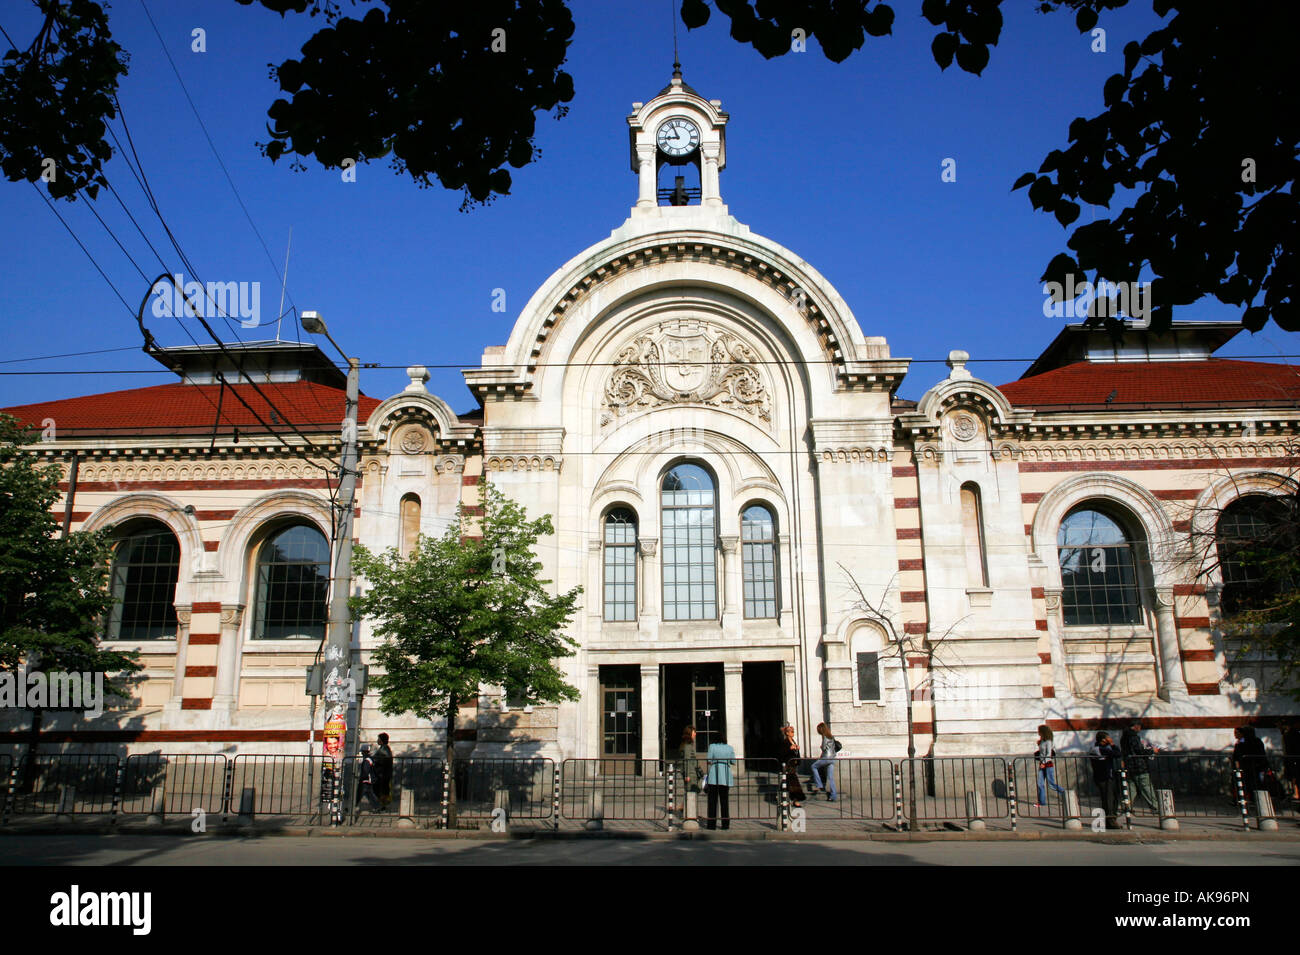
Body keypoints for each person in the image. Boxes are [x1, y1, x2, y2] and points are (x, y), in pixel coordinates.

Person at [1119, 721, 1159, 813]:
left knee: (1131, 788)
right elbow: (1138, 750)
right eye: (1140, 726)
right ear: (1136, 726)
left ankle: (1126, 806)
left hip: (1129, 765)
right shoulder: (1133, 737)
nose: (1140, 729)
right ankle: (1155, 807)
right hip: (1138, 765)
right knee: (1146, 787)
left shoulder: (1124, 737)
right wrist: (1152, 751)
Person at [1088, 730, 1122, 830]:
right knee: (1108, 800)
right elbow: (1117, 754)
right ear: (1103, 740)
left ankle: (1110, 820)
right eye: (1108, 738)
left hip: (1106, 776)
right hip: (1104, 777)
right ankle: (1110, 821)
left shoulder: (1099, 748)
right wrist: (1112, 744)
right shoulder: (1100, 749)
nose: (1110, 739)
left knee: (1111, 799)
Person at [705, 729, 736, 830]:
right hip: (725, 774)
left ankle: (711, 824)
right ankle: (725, 824)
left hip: (714, 774)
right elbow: (733, 761)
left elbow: (709, 760)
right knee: (724, 801)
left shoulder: (712, 747)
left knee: (712, 801)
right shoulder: (729, 748)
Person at [1034, 724, 1066, 808]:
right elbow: (1041, 753)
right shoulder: (1042, 741)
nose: (1038, 732)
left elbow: (1049, 754)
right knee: (1040, 783)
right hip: (1042, 764)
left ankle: (1066, 794)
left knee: (1051, 784)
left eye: (1039, 731)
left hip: (1047, 764)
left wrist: (1044, 763)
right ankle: (1041, 802)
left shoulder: (1049, 741)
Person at [1232, 726, 1268, 798]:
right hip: (1256, 766)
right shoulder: (1257, 740)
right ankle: (1256, 798)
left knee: (1249, 783)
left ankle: (1250, 797)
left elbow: (1237, 754)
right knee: (1256, 783)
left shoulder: (1243, 742)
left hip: (1248, 766)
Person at [809, 722, 839, 802]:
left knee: (813, 766)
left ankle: (819, 785)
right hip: (832, 758)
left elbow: (823, 748)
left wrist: (821, 747)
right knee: (831, 777)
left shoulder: (825, 737)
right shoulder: (831, 737)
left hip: (826, 757)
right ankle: (833, 796)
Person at [778, 724, 805, 807]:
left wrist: (797, 749)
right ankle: (794, 799)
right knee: (793, 782)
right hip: (788, 765)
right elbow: (781, 753)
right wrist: (790, 749)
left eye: (793, 731)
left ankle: (787, 798)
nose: (793, 733)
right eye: (791, 732)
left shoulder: (793, 741)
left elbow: (795, 752)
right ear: (787, 733)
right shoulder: (785, 742)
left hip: (793, 765)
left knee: (788, 782)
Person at [356, 744, 382, 813]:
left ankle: (377, 807)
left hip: (366, 780)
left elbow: (366, 771)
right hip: (368, 779)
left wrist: (362, 778)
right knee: (368, 793)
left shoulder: (367, 760)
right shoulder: (370, 759)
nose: (361, 753)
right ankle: (377, 807)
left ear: (364, 752)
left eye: (362, 752)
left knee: (361, 793)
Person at [677, 725, 701, 796]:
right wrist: (687, 775)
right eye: (694, 732)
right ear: (690, 733)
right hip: (690, 772)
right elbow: (687, 760)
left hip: (692, 771)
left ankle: (682, 806)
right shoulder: (687, 746)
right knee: (691, 791)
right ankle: (686, 806)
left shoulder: (688, 745)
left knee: (692, 790)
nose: (695, 734)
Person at [372, 732, 393, 808]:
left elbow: (384, 759)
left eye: (378, 739)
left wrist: (376, 760)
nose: (377, 740)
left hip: (382, 774)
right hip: (382, 774)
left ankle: (382, 805)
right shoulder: (383, 748)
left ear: (381, 740)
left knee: (381, 790)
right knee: (380, 790)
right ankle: (381, 805)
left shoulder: (384, 749)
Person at [1281, 719, 1300, 801]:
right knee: (1293, 776)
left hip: (1293, 758)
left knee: (1294, 776)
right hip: (1292, 758)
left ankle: (1296, 793)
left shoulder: (1290, 735)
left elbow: (1289, 748)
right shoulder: (1291, 734)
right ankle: (1296, 793)